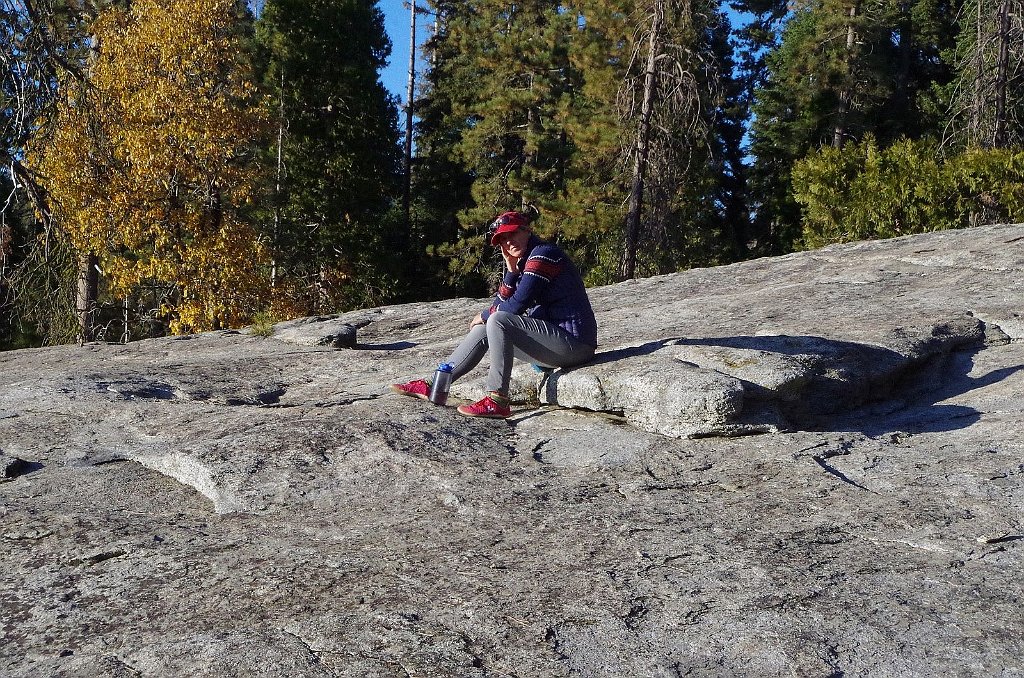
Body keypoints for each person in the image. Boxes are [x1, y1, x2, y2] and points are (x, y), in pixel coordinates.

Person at [391, 210, 598, 418]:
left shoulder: (543, 255)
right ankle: (435, 384)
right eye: (503, 240)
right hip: (555, 345)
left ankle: (497, 400)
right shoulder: (525, 261)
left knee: (497, 320)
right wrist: (511, 273)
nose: (509, 243)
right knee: (485, 328)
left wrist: (484, 314)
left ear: (527, 230)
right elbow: (502, 301)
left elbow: (515, 305)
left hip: (575, 345)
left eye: (513, 234)